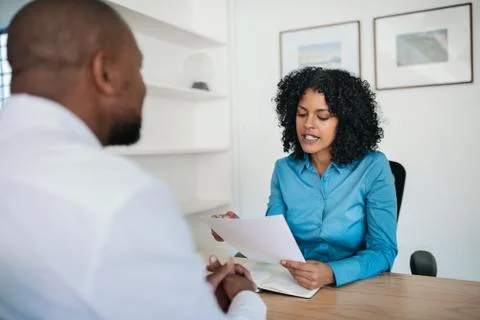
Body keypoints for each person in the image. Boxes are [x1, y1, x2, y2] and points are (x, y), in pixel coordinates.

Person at [0, 0, 266, 319]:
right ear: (105, 72)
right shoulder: (124, 198)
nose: (142, 88)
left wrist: (181, 294)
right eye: (138, 68)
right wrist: (246, 298)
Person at [213, 67, 398, 289]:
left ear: (346, 122)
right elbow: (274, 237)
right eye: (301, 114)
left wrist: (331, 273)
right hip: (292, 283)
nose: (308, 124)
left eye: (322, 116)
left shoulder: (373, 167)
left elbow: (383, 250)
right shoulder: (284, 169)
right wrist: (236, 229)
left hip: (353, 286)